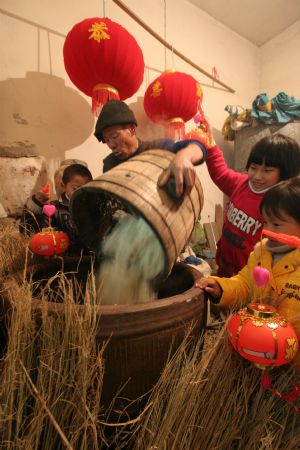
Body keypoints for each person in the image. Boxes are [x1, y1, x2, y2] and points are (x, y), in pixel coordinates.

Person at [196, 176, 300, 369]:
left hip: (292, 362)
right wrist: (221, 287)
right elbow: (244, 284)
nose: (267, 230)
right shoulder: (261, 252)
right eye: (265, 222)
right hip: (257, 350)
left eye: (276, 224)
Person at [205, 132, 300, 276]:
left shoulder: (280, 206)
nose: (257, 176)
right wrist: (209, 144)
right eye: (253, 167)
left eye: (267, 171)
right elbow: (221, 173)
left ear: (285, 173)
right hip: (224, 268)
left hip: (251, 280)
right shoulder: (241, 183)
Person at [94, 100, 207, 197]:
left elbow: (198, 147)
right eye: (107, 139)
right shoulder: (110, 165)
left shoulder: (157, 149)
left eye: (114, 136)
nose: (111, 145)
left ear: (132, 129)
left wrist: (184, 156)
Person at [20, 163, 93, 254]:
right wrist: (36, 204)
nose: (80, 194)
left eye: (85, 189)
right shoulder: (53, 209)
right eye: (75, 189)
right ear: (63, 185)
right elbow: (29, 233)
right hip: (63, 262)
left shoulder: (94, 207)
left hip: (91, 260)